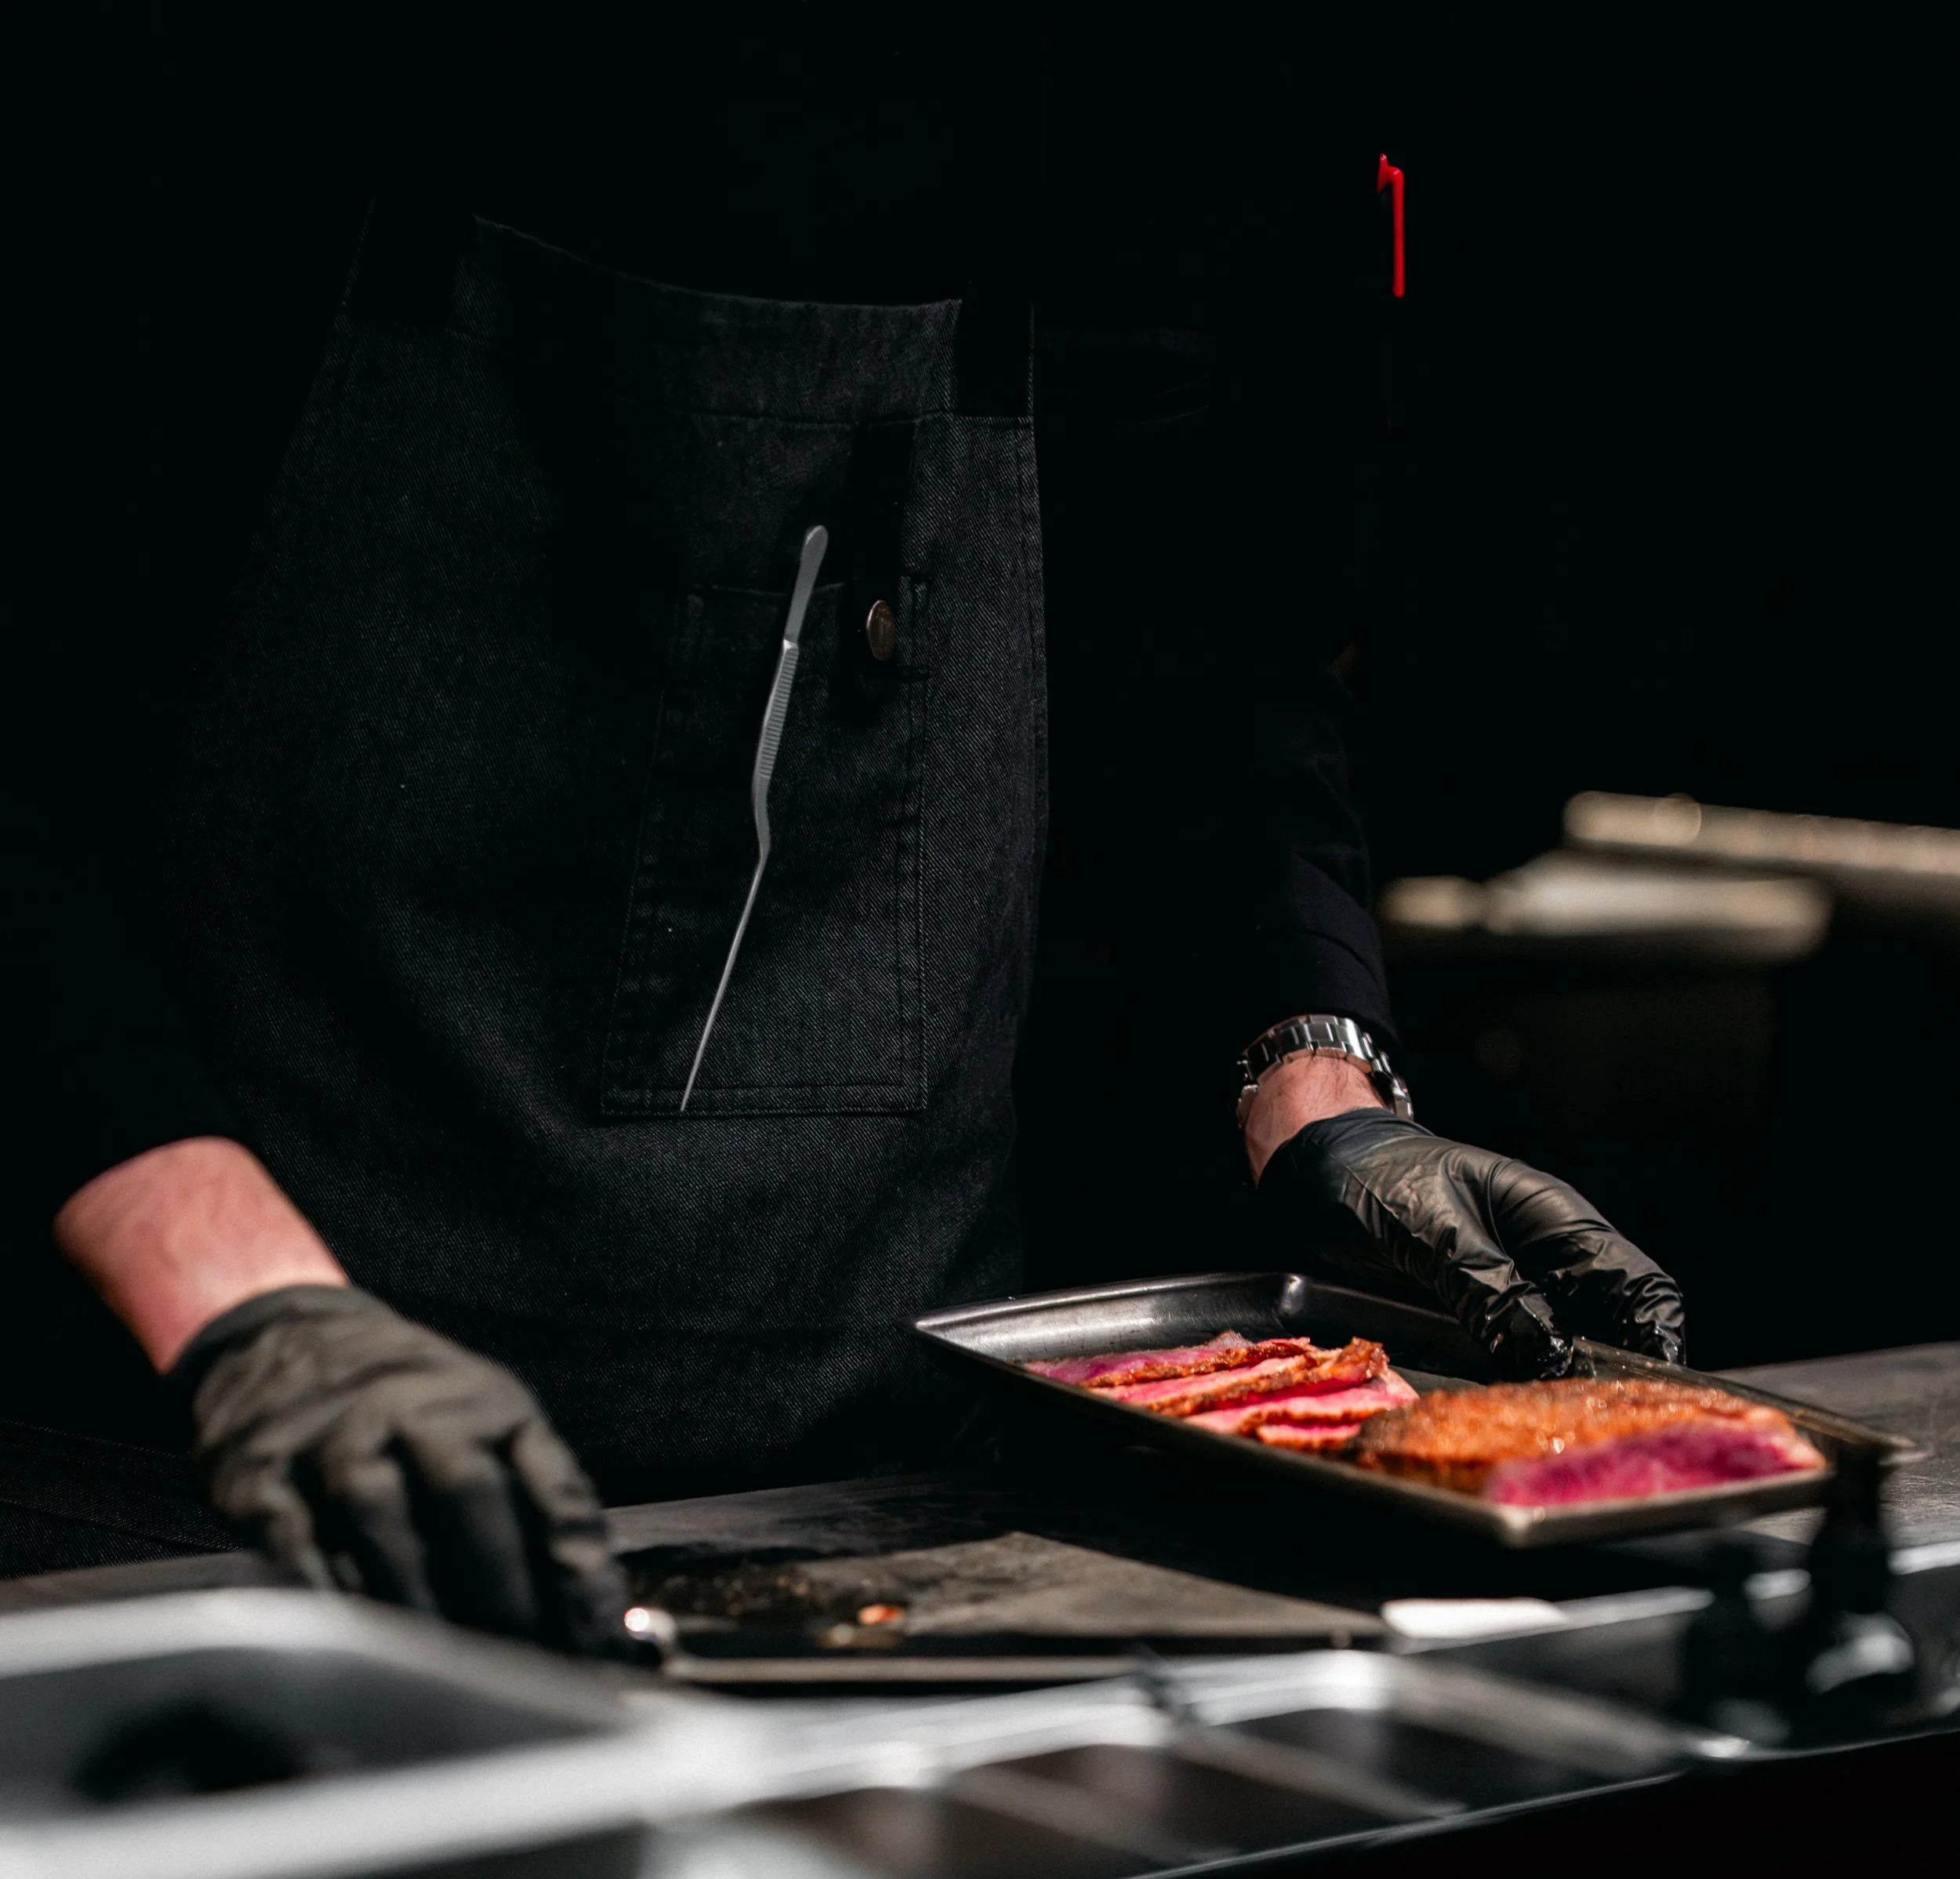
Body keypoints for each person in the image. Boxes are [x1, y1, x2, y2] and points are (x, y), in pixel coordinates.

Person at [0, 20, 1682, 1644]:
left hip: (880, 1505)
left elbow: (1201, 650)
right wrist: (250, 1309)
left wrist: (1317, 1090)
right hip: (197, 1489)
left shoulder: (1171, 89)